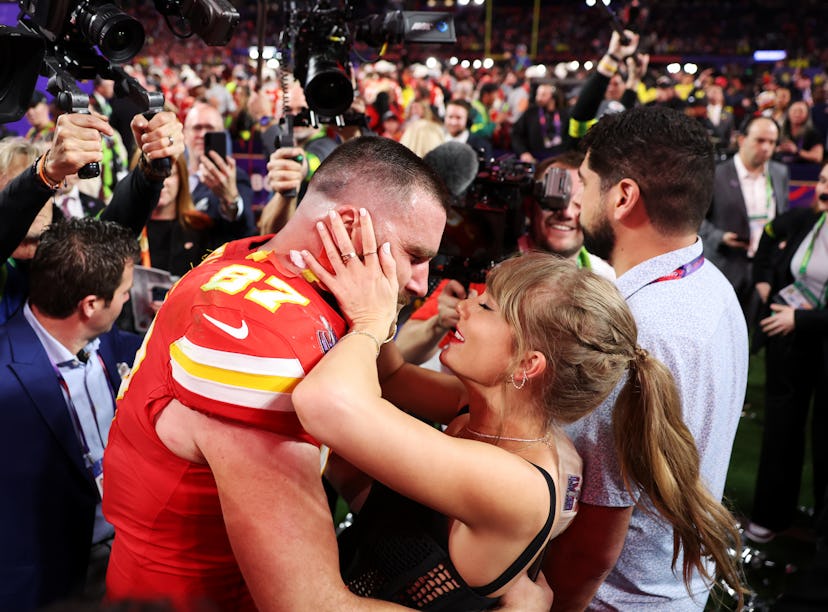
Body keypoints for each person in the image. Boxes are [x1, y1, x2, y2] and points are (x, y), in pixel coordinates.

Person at [292, 214, 745, 610]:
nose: (465, 308)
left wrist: (370, 323)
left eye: (486, 306)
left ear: (527, 364)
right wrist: (386, 291)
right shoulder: (481, 410)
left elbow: (323, 404)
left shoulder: (518, 484)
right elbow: (390, 379)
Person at [103, 136, 450, 610]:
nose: (419, 282)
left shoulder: (258, 256)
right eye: (414, 255)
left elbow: (378, 394)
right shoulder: (258, 343)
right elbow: (308, 604)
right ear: (350, 226)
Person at [543, 105, 750, 610]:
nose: (577, 200)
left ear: (623, 196)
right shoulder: (713, 284)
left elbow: (594, 540)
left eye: (586, 183)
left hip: (614, 598)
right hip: (673, 587)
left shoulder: (632, 331)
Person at [0, 218, 142, 611]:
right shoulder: (5, 379)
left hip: (129, 553)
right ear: (90, 305)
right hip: (50, 581)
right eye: (124, 293)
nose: (128, 300)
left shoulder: (118, 344)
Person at [396, 150, 613, 369]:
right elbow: (402, 351)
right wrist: (438, 324)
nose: (565, 211)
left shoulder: (606, 279)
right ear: (530, 205)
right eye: (553, 198)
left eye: (579, 202)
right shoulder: (489, 268)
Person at [0, 111, 184, 325]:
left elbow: (114, 231)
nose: (33, 203)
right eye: (12, 190)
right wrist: (43, 174)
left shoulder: (67, 249)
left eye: (48, 187)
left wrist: (151, 168)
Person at [743, 161, 828, 544]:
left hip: (816, 340)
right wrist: (763, 280)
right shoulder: (802, 220)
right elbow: (767, 238)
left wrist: (803, 320)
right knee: (782, 430)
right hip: (789, 344)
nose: (823, 189)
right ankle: (769, 516)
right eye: (823, 179)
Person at [701, 115, 789, 325]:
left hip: (763, 266)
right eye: (760, 140)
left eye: (772, 142)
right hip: (726, 264)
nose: (767, 148)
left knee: (751, 331)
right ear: (741, 140)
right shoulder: (715, 174)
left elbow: (781, 215)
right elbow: (696, 220)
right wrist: (720, 237)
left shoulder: (780, 173)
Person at [183, 101, 257, 244]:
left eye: (210, 128)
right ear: (185, 134)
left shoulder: (234, 176)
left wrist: (231, 199)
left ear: (222, 134)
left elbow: (245, 227)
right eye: (197, 128)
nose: (203, 134)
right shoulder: (172, 176)